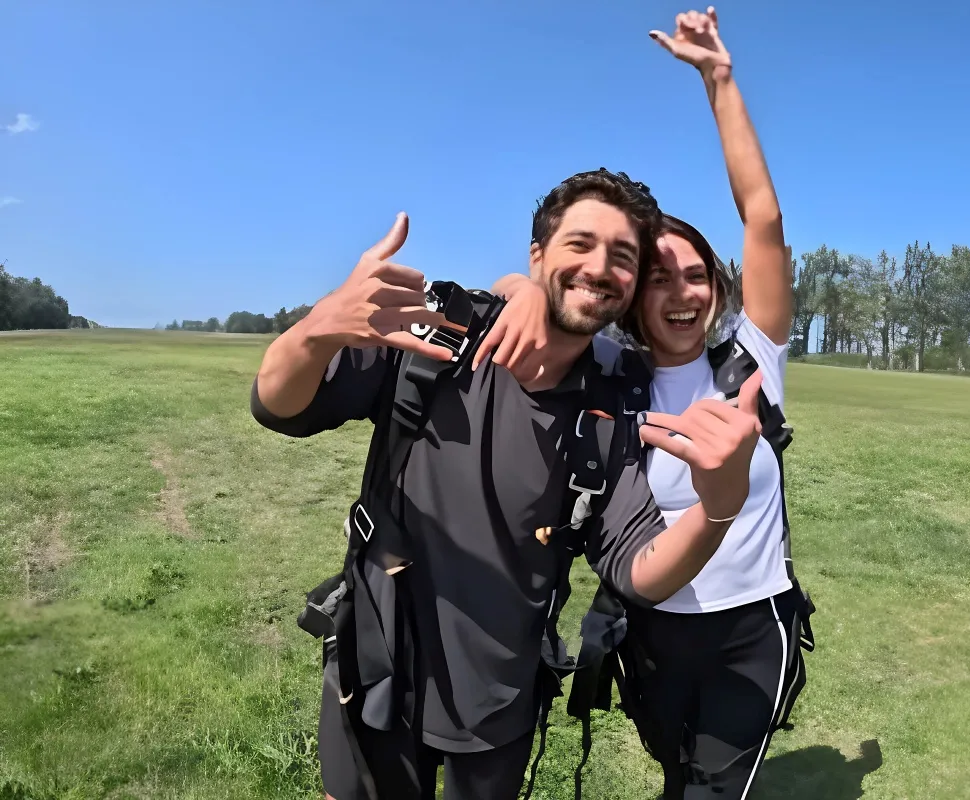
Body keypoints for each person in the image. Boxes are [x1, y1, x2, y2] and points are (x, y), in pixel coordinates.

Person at [250, 168, 766, 800]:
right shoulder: (442, 333)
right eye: (580, 244)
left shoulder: (607, 410)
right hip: (377, 661)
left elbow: (638, 568)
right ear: (536, 255)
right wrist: (317, 328)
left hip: (499, 698)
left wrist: (719, 509)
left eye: (622, 257)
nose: (600, 267)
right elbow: (279, 408)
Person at [479, 8, 805, 798]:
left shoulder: (750, 360)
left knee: (713, 790)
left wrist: (718, 80)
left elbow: (762, 216)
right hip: (652, 629)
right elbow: (534, 294)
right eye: (658, 277)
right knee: (675, 773)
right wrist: (520, 286)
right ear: (632, 297)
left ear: (718, 289)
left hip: (753, 625)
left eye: (696, 275)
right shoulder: (608, 374)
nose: (681, 291)